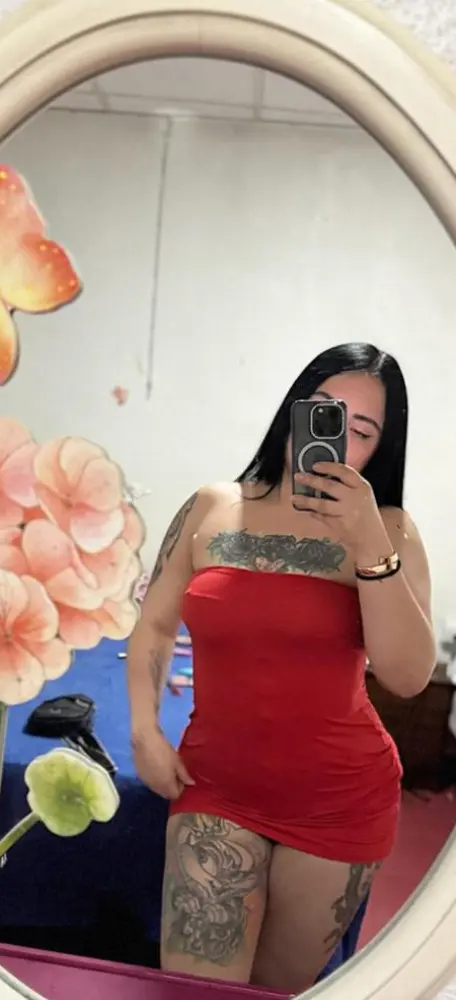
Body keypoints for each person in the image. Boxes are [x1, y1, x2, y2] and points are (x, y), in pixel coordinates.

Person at [126, 343, 435, 993]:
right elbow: (153, 626)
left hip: (340, 802)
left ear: (381, 448)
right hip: (217, 784)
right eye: (323, 409)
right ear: (294, 408)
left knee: (275, 990)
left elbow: (407, 676)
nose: (336, 434)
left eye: (361, 430)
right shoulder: (210, 507)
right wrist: (145, 730)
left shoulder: (392, 531)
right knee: (199, 992)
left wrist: (368, 543)